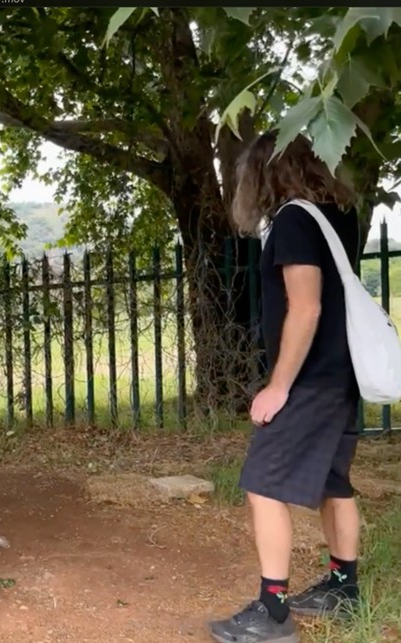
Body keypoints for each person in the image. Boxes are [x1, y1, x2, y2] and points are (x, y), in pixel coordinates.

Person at [208, 131, 362, 643]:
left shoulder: (295, 220)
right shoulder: (338, 215)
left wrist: (278, 386)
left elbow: (308, 306)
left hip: (311, 380)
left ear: (266, 173)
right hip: (342, 375)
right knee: (331, 481)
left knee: (262, 483)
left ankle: (272, 612)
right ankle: (343, 589)